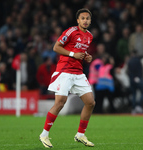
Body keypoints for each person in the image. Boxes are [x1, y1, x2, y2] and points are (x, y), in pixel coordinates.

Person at [39, 8, 95, 148]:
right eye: (82, 18)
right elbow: (56, 47)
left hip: (78, 73)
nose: (85, 20)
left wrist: (87, 57)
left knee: (90, 102)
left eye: (87, 18)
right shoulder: (71, 31)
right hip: (65, 71)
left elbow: (81, 52)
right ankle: (44, 135)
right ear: (78, 20)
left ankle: (80, 135)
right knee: (60, 103)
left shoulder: (89, 36)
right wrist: (72, 54)